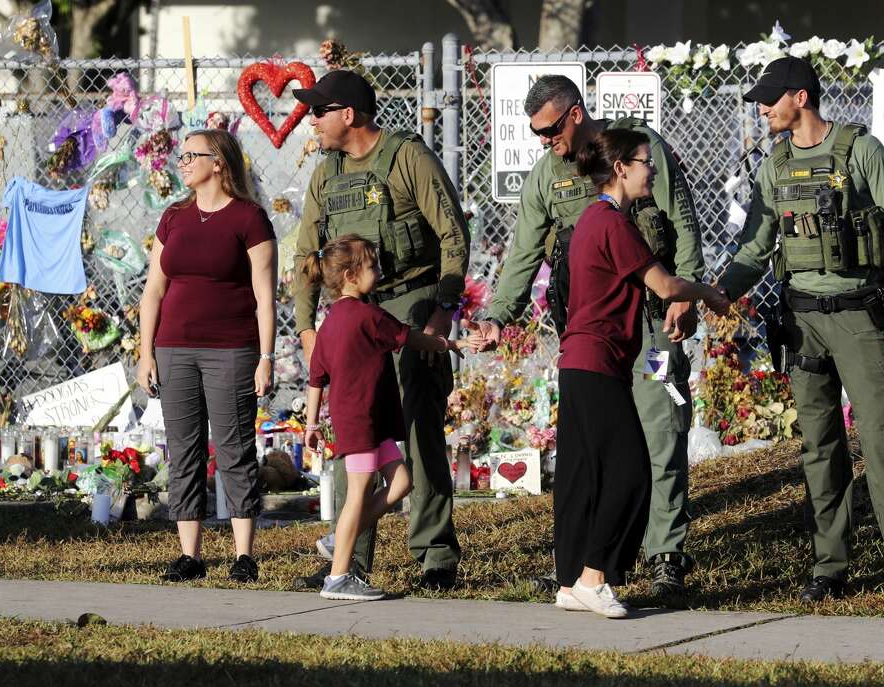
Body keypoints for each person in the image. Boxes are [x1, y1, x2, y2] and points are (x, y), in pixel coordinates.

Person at [465, 75, 706, 599]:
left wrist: (685, 295)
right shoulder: (545, 178)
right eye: (536, 134)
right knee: (584, 454)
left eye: (550, 129)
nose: (545, 141)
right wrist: (499, 317)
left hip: (650, 326)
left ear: (575, 113)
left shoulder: (634, 151)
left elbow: (682, 222)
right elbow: (523, 254)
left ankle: (665, 553)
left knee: (660, 428)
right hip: (593, 333)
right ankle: (577, 568)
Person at [719, 56, 884, 606]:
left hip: (859, 315)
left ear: (801, 97)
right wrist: (718, 293)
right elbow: (754, 244)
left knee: (883, 441)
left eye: (770, 98)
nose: (763, 108)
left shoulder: (860, 150)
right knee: (819, 448)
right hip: (801, 323)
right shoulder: (774, 166)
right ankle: (830, 564)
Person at [291, 70, 470, 591]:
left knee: (418, 430)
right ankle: (349, 562)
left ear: (349, 114)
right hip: (351, 317)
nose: (312, 120)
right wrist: (306, 329)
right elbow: (306, 255)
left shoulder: (407, 156)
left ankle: (435, 554)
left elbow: (452, 235)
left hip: (412, 302)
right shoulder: (327, 172)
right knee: (357, 436)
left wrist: (442, 309)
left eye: (318, 111)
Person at [546, 128, 729, 618]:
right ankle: (594, 576)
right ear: (621, 168)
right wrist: (707, 294)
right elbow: (665, 285)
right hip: (598, 363)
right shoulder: (613, 223)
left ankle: (570, 582)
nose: (652, 169)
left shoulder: (589, 219)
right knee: (631, 471)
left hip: (580, 363)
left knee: (583, 474)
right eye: (645, 161)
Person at [137, 128, 277, 584]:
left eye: (190, 155)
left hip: (232, 350)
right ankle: (190, 556)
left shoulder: (250, 219)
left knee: (235, 449)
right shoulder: (173, 217)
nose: (182, 162)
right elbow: (153, 292)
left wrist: (266, 356)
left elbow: (264, 294)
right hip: (173, 349)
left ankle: (243, 555)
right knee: (184, 452)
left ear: (218, 162)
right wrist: (146, 353)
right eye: (180, 156)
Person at [301, 236, 464, 600]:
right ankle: (338, 578)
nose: (380, 271)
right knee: (358, 494)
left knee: (401, 482)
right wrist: (448, 344)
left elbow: (316, 378)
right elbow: (411, 338)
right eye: (372, 266)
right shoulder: (369, 317)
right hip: (361, 421)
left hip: (368, 421)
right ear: (350, 276)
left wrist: (312, 425)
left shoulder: (328, 325)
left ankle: (341, 536)